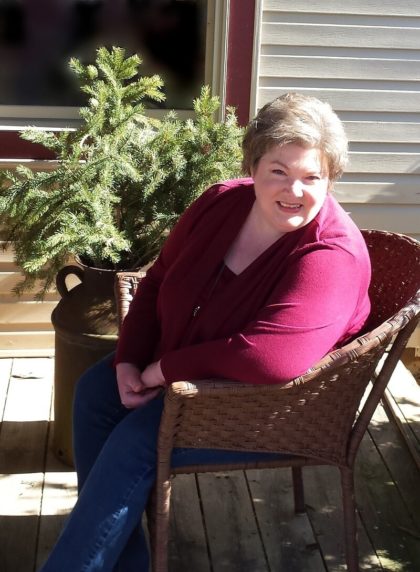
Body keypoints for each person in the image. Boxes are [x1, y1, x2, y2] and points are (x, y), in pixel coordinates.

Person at [39, 92, 371, 571]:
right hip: (191, 368)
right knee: (95, 390)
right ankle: (118, 560)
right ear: (254, 165)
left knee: (137, 441)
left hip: (273, 402)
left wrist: (162, 370)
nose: (293, 191)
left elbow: (269, 359)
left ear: (330, 179)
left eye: (311, 177)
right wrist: (131, 358)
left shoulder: (329, 254)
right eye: (278, 170)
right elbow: (155, 283)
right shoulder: (221, 203)